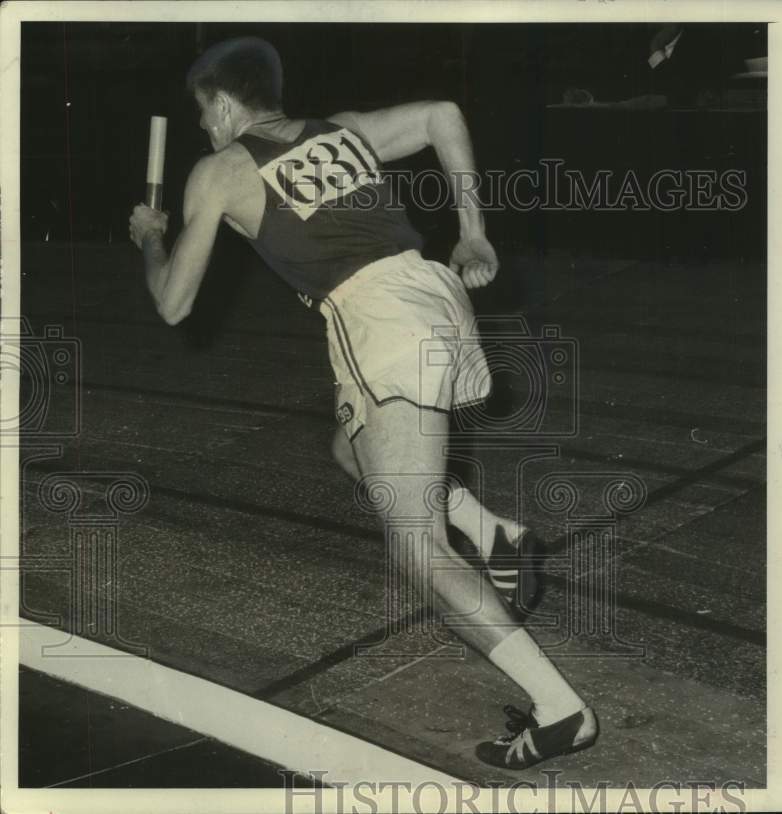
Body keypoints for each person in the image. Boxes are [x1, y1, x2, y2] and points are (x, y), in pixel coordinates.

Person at [128, 36, 597, 769]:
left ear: (222, 104)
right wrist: (472, 232)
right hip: (430, 294)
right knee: (351, 450)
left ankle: (562, 709)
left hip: (378, 320)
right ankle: (493, 532)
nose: (204, 128)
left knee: (418, 549)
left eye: (203, 113)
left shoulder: (220, 170)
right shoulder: (341, 129)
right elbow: (443, 113)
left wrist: (152, 241)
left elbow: (174, 304)